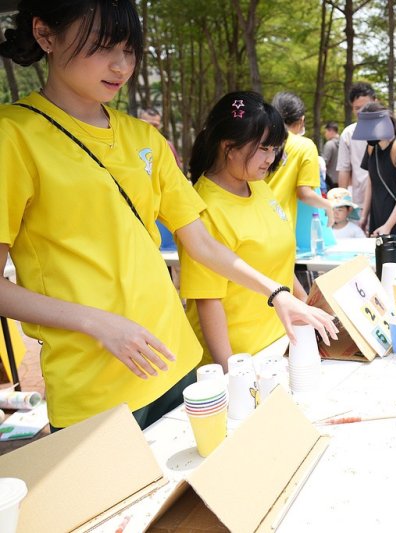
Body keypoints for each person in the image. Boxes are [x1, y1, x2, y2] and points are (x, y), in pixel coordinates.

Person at [0, 0, 336, 430]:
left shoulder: (144, 139)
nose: (121, 66)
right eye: (102, 46)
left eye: (130, 49)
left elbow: (200, 243)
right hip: (94, 391)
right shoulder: (14, 137)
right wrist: (95, 322)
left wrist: (278, 293)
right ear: (45, 35)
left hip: (180, 367)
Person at [180, 92, 304, 370]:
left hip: (279, 342)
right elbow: (207, 300)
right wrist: (232, 371)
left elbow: (276, 258)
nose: (270, 158)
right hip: (241, 358)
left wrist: (305, 304)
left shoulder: (257, 185)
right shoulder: (204, 209)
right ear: (229, 146)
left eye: (274, 148)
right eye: (263, 148)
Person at [269, 91, 333, 229]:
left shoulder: (259, 140)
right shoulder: (305, 146)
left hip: (250, 220)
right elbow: (305, 194)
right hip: (280, 226)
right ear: (301, 120)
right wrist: (329, 206)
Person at [353, 102, 396, 238]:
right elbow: (371, 182)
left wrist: (388, 226)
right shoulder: (372, 148)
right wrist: (364, 216)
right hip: (378, 217)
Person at [337, 82, 377, 222]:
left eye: (365, 107)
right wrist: (342, 204)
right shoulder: (348, 133)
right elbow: (344, 170)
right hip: (358, 201)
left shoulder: (391, 130)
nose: (361, 112)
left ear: (375, 101)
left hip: (386, 201)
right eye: (357, 108)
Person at [322, 121, 339, 190]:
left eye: (326, 132)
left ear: (331, 131)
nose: (325, 134)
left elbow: (324, 163)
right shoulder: (344, 142)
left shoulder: (329, 144)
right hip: (343, 179)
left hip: (330, 180)